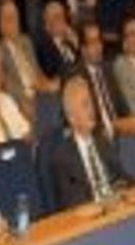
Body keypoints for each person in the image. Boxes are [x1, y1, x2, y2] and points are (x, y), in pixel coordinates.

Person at [48, 76, 129, 211]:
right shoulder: (63, 158)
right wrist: (105, 206)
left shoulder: (102, 141)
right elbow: (74, 202)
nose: (92, 109)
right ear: (71, 118)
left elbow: (122, 178)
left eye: (92, 102)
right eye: (85, 105)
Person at [0, 0, 55, 111]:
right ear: (1, 25)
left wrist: (47, 84)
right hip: (21, 102)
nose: (15, 23)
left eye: (16, 17)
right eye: (10, 19)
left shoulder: (26, 41)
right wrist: (25, 97)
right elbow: (5, 87)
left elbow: (37, 71)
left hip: (40, 94)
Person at [35, 1, 80, 79]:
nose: (63, 20)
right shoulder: (43, 47)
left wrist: (76, 45)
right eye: (57, 17)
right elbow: (53, 73)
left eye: (63, 15)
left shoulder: (71, 41)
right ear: (47, 25)